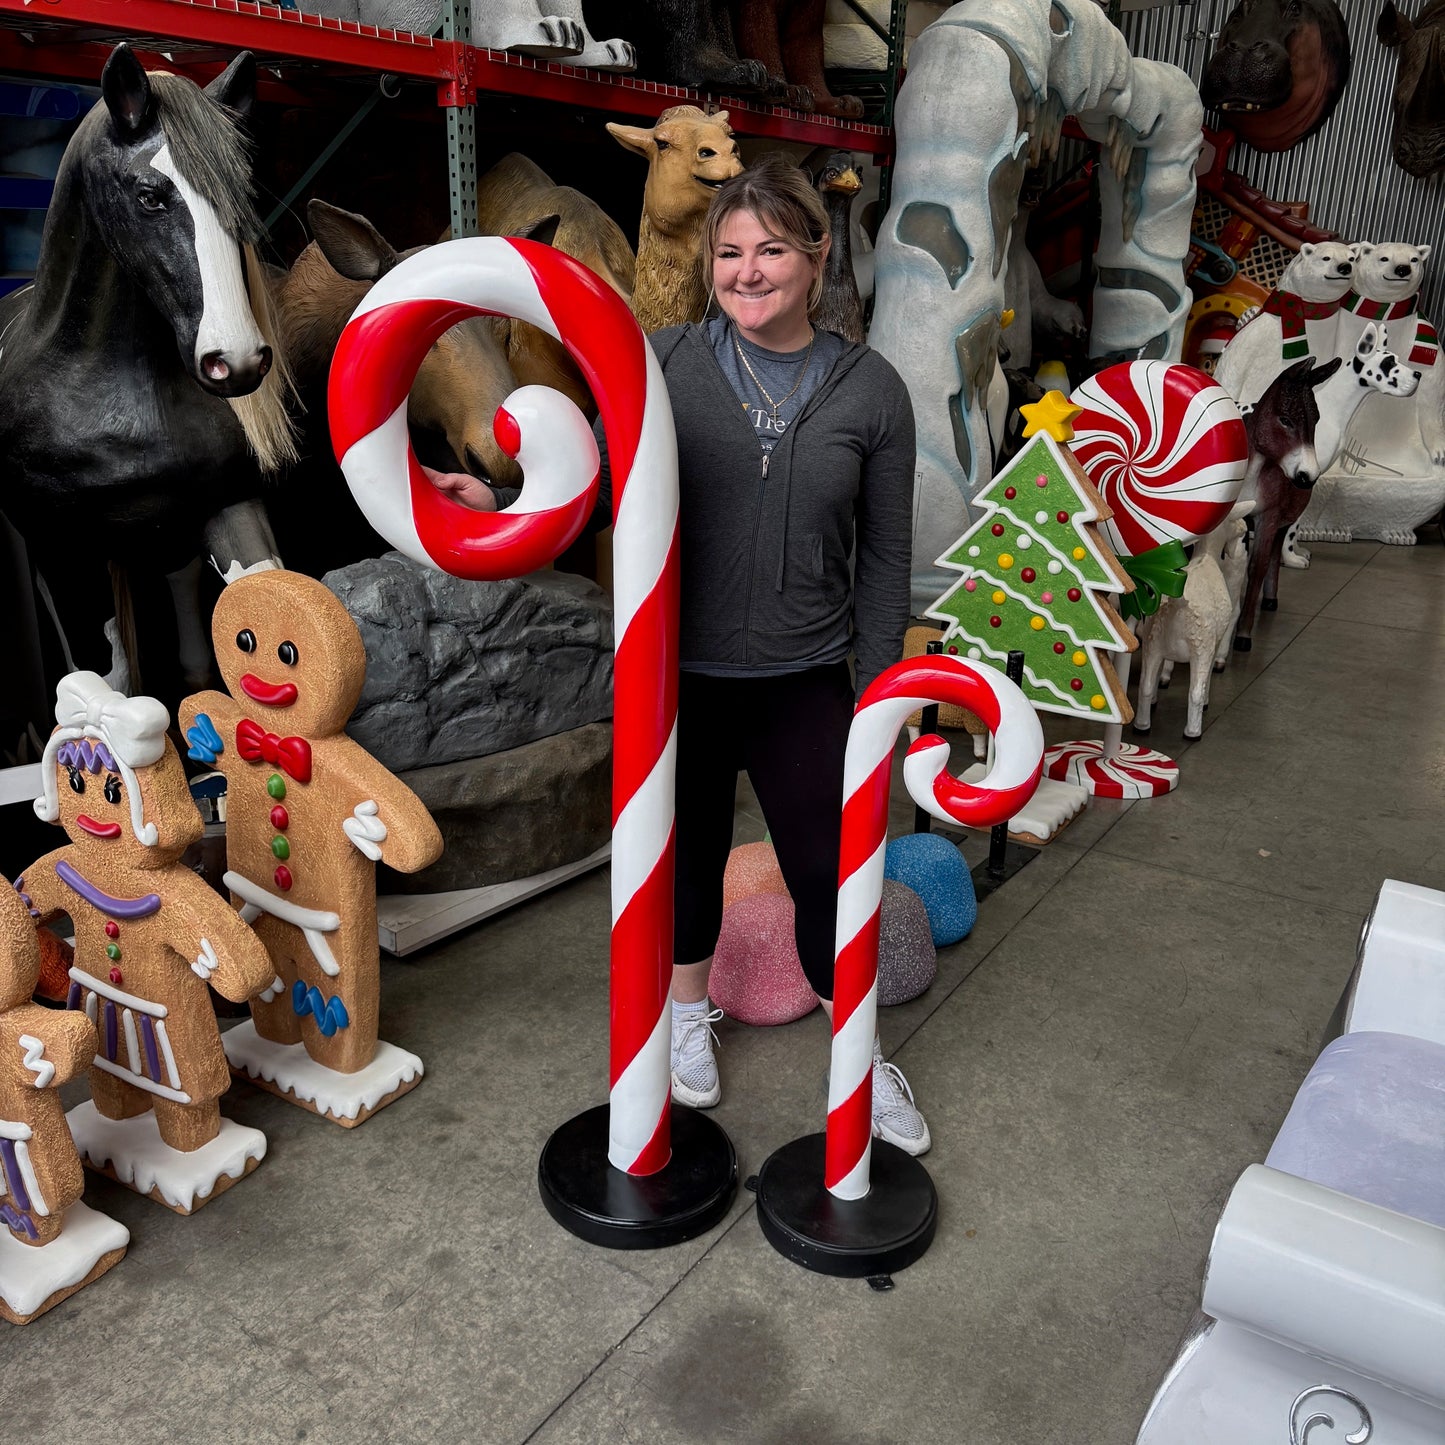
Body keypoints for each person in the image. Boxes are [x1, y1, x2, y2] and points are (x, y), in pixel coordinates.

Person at [435, 154, 925, 1152]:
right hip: (677, 679)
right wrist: (501, 502)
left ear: (815, 254)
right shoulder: (659, 361)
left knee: (834, 872)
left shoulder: (870, 392)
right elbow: (594, 482)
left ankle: (858, 1056)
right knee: (685, 865)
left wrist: (878, 694)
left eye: (771, 249)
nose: (746, 271)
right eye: (729, 251)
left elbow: (885, 560)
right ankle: (686, 1014)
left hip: (802, 680)